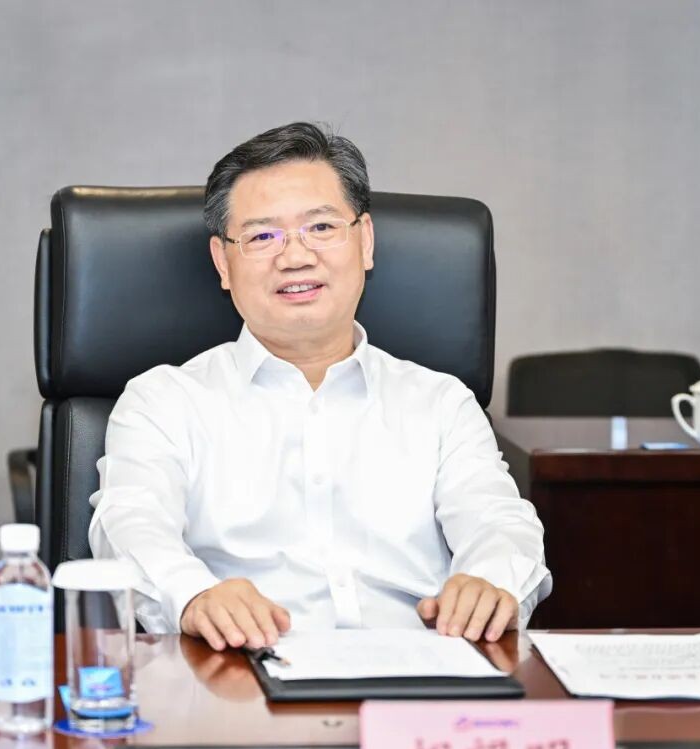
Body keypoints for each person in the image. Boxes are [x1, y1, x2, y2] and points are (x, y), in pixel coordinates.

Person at [89, 122, 551, 651]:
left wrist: (490, 582)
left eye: (322, 227)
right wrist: (194, 596)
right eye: (262, 237)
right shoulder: (162, 402)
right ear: (223, 263)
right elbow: (130, 522)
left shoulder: (441, 403)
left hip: (418, 671)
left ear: (366, 241)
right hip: (241, 671)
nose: (295, 257)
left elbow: (498, 522)